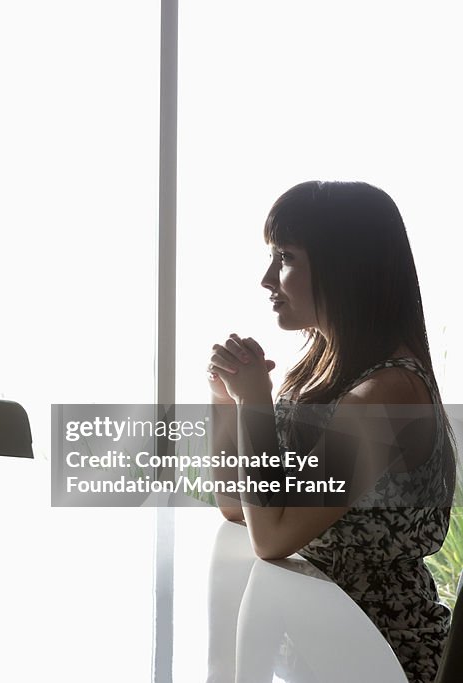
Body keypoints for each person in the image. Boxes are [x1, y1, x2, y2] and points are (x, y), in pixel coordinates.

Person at [206, 181, 455, 683]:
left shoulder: (387, 393)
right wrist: (226, 402)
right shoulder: (321, 371)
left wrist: (254, 401)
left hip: (381, 654)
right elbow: (238, 506)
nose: (267, 279)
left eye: (286, 258)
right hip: (311, 639)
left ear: (346, 269)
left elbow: (272, 537)